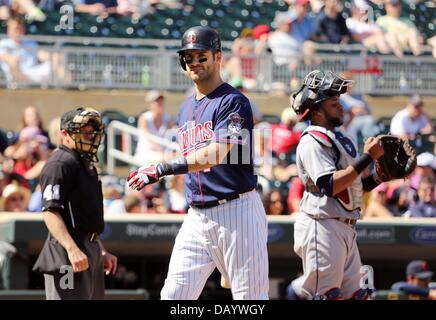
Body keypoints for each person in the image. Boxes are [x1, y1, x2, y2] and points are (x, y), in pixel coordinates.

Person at [127, 26, 269, 300]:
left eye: (201, 56)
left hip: (236, 210)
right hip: (197, 215)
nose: (194, 62)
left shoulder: (234, 101)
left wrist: (162, 167)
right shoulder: (184, 107)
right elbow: (194, 161)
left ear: (218, 57)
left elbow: (216, 154)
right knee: (173, 296)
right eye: (188, 57)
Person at [290, 70, 385, 299]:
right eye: (333, 103)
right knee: (327, 295)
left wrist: (380, 177)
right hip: (321, 224)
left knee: (357, 295)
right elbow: (329, 185)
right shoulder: (312, 139)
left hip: (345, 226)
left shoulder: (339, 138)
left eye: (338, 101)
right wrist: (368, 158)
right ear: (316, 110)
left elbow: (353, 187)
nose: (340, 107)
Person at [32, 107, 117, 300]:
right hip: (67, 252)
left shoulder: (85, 164)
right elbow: (50, 212)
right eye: (83, 131)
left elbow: (84, 217)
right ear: (64, 134)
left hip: (89, 248)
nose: (89, 136)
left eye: (92, 132)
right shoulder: (59, 163)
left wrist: (100, 249)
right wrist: (72, 249)